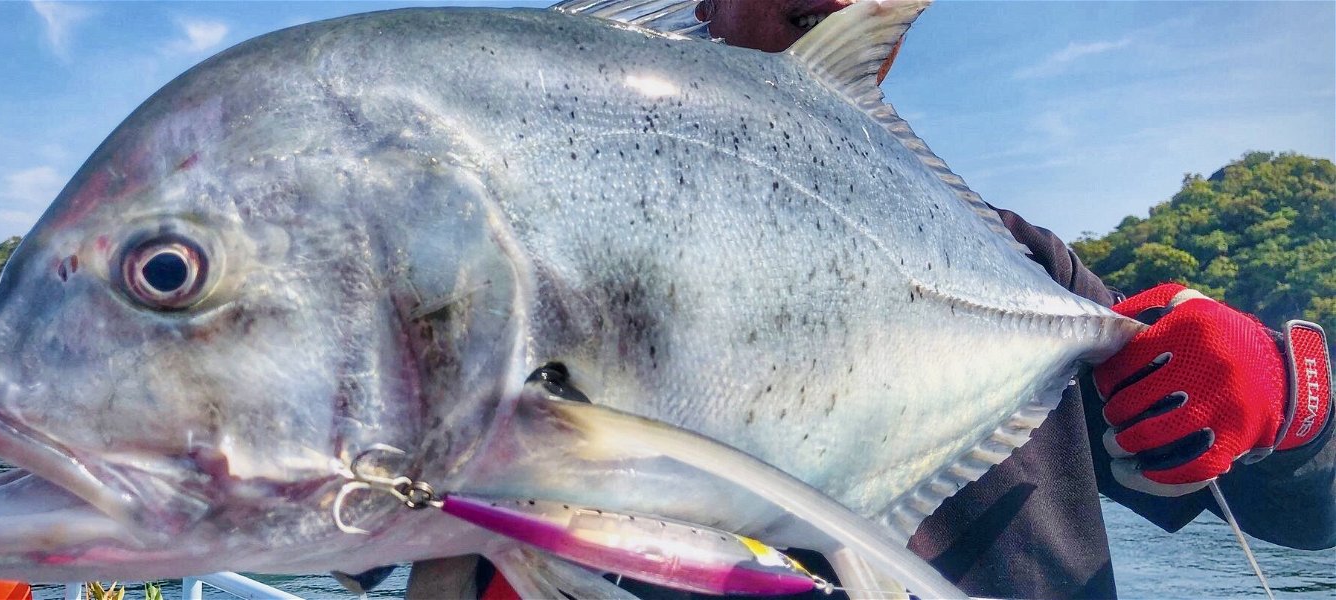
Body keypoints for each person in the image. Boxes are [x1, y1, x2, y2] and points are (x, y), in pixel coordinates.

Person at [419, 1, 1336, 598]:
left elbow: (1297, 520)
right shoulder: (514, 256)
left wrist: (1296, 418)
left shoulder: (1025, 270)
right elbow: (337, 501)